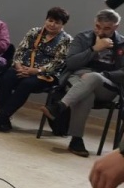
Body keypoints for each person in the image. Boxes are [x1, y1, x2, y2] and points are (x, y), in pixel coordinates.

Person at [41, 9, 124, 157]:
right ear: (95, 22)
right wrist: (94, 49)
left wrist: (104, 74)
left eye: (107, 28)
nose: (101, 31)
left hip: (107, 84)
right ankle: (76, 140)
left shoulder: (122, 43)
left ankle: (59, 106)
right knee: (86, 95)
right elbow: (71, 63)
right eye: (98, 26)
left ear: (116, 27)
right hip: (78, 78)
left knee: (94, 77)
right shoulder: (83, 37)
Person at [0, 7, 71, 132]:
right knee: (6, 78)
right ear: (45, 20)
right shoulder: (34, 32)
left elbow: (58, 62)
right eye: (50, 20)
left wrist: (36, 71)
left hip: (46, 74)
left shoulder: (66, 40)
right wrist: (18, 65)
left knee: (26, 84)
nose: (52, 24)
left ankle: (2, 116)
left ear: (63, 25)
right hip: (23, 67)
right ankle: (4, 119)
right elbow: (20, 50)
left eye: (57, 22)